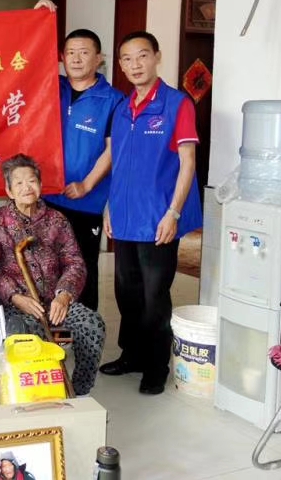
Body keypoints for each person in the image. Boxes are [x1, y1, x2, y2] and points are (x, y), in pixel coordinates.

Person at [99, 31, 203, 395]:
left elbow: (188, 162)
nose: (135, 65)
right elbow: (117, 162)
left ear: (157, 56)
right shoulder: (121, 108)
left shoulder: (177, 104)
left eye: (142, 56)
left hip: (158, 217)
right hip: (125, 215)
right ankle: (132, 355)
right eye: (127, 59)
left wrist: (173, 212)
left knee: (154, 294)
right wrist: (109, 206)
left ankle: (157, 366)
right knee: (126, 292)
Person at [0, 154, 106, 397]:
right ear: (9, 190)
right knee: (25, 339)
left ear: (40, 185)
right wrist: (16, 297)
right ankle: (37, 392)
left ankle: (79, 389)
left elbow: (74, 262)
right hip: (17, 306)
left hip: (54, 302)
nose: (26, 187)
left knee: (92, 324)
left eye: (31, 181)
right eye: (19, 183)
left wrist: (64, 295)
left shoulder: (57, 220)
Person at [35, 0, 124, 312]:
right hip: (46, 197)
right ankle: (49, 328)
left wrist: (86, 185)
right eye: (70, 52)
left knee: (81, 269)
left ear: (99, 59)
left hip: (85, 203)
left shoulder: (113, 100)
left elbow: (113, 149)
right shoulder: (50, 87)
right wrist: (39, 18)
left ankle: (85, 332)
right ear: (61, 57)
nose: (76, 58)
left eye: (84, 52)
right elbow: (27, 58)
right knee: (44, 266)